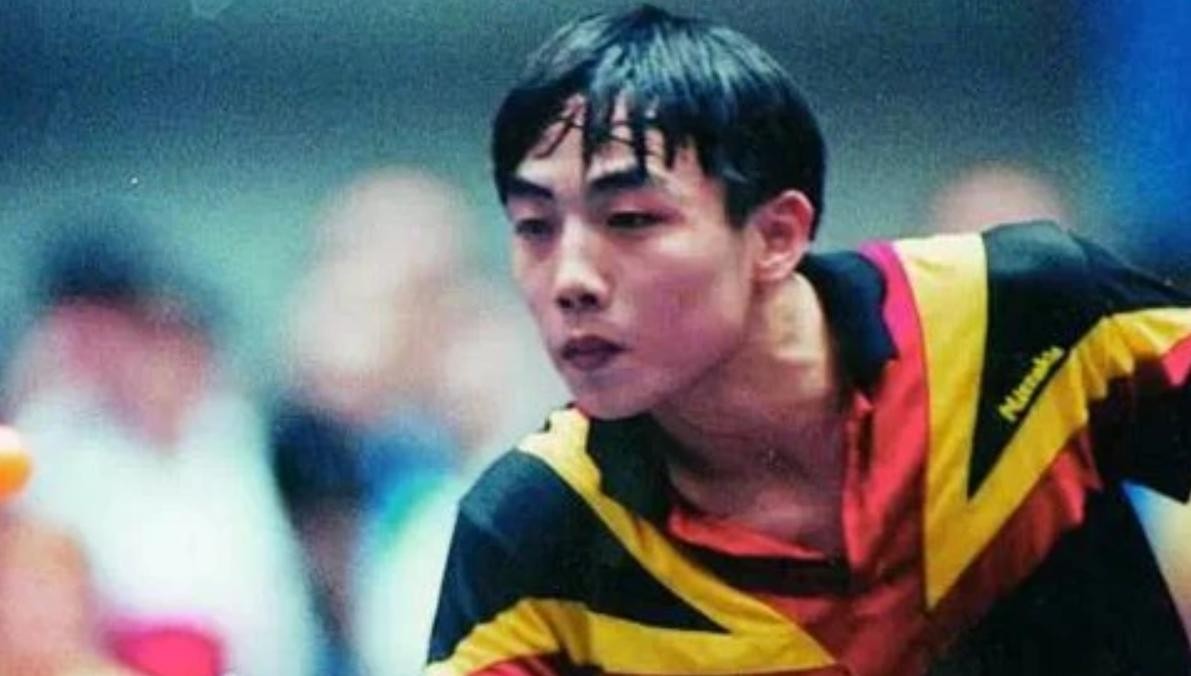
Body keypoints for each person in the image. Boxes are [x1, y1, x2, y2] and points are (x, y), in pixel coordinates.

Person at [425, 5, 1191, 675]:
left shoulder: (1019, 314)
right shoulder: (533, 532)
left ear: (776, 235)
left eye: (629, 220)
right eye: (534, 227)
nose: (569, 279)